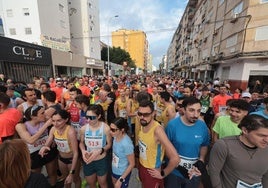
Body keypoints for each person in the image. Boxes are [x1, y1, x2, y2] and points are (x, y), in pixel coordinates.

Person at [209, 114, 268, 187]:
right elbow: (214, 173)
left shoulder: (266, 149)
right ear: (245, 131)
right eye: (261, 136)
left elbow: (266, 177)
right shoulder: (224, 145)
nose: (266, 140)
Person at [165, 96, 210, 188]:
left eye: (198, 111)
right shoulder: (172, 125)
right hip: (174, 172)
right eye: (191, 110)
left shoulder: (202, 126)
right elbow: (165, 147)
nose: (196, 115)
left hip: (194, 172)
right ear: (183, 110)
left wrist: (201, 159)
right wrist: (178, 165)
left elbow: (204, 145)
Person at [137, 100, 180, 188]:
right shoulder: (143, 124)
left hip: (152, 171)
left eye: (146, 114)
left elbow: (175, 158)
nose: (142, 117)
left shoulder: (158, 130)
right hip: (142, 167)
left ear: (153, 113)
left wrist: (163, 174)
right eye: (139, 114)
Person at [15, 105, 58, 187]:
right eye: (42, 113)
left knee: (52, 172)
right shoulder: (21, 126)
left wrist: (53, 139)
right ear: (33, 116)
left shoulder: (45, 119)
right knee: (35, 177)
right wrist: (46, 125)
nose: (45, 114)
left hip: (47, 148)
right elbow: (30, 140)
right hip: (33, 153)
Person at [39, 109, 81, 188]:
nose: (55, 124)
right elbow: (49, 140)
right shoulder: (53, 129)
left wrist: (71, 173)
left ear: (66, 120)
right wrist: (44, 147)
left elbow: (76, 153)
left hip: (72, 159)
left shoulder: (70, 132)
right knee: (66, 179)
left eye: (59, 120)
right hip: (61, 159)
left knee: (75, 179)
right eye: (53, 121)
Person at [79, 104, 112, 188]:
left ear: (99, 116)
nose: (88, 120)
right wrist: (83, 151)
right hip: (88, 160)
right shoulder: (83, 129)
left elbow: (109, 144)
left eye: (92, 117)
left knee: (103, 183)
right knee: (91, 184)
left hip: (101, 160)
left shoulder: (105, 128)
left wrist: (100, 150)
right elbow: (81, 143)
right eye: (87, 117)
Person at [110, 117, 135, 188]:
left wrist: (121, 179)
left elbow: (132, 164)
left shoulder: (127, 144)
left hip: (123, 173)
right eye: (110, 129)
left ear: (122, 130)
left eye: (113, 130)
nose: (110, 132)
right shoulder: (115, 136)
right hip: (114, 170)